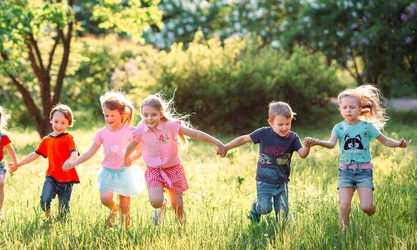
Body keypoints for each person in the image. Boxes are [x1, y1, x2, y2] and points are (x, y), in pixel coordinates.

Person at [304, 85, 408, 229]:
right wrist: (316, 142)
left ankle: (371, 208)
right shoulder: (338, 128)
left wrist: (398, 144)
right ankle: (344, 236)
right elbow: (331, 144)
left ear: (359, 109)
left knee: (366, 207)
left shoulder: (367, 126)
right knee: (344, 207)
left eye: (352, 107)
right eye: (345, 107)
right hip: (345, 172)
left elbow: (385, 140)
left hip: (363, 173)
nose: (348, 110)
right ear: (340, 110)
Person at [124, 94, 225, 225]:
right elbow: (133, 144)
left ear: (161, 114)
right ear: (142, 115)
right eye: (145, 115)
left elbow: (196, 134)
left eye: (153, 114)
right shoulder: (140, 129)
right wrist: (127, 157)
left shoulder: (171, 126)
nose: (149, 118)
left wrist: (216, 142)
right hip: (154, 170)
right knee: (155, 202)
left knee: (177, 206)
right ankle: (162, 205)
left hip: (173, 169)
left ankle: (180, 230)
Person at [62, 92, 144, 230]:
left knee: (125, 205)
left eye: (113, 115)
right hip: (108, 172)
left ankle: (126, 231)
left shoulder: (131, 131)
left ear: (122, 114)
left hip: (125, 172)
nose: (109, 118)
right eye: (106, 115)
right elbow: (90, 152)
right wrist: (73, 163)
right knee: (105, 199)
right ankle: (113, 208)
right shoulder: (102, 133)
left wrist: (131, 158)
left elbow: (142, 149)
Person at [220, 101, 310, 223]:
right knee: (265, 209)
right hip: (264, 181)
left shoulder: (293, 138)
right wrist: (226, 147)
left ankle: (280, 233)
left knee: (283, 217)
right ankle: (255, 208)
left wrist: (308, 146)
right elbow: (243, 139)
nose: (284, 128)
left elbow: (302, 154)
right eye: (280, 124)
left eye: (288, 124)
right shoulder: (263, 133)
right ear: (271, 122)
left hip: (282, 183)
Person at [16, 104, 79, 221]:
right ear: (50, 120)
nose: (58, 125)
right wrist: (19, 164)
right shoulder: (46, 140)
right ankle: (49, 217)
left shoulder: (69, 138)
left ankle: (62, 224)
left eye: (63, 123)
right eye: (56, 121)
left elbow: (74, 154)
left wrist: (69, 161)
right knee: (45, 199)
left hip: (67, 178)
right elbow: (35, 154)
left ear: (69, 124)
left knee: (64, 209)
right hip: (52, 176)